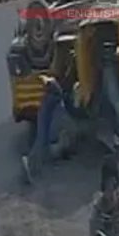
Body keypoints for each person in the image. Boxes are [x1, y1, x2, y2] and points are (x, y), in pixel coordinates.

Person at [22, 53, 78, 183]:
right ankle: (33, 165)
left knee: (43, 138)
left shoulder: (57, 78)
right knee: (43, 138)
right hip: (55, 102)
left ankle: (34, 165)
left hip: (53, 102)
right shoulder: (63, 75)